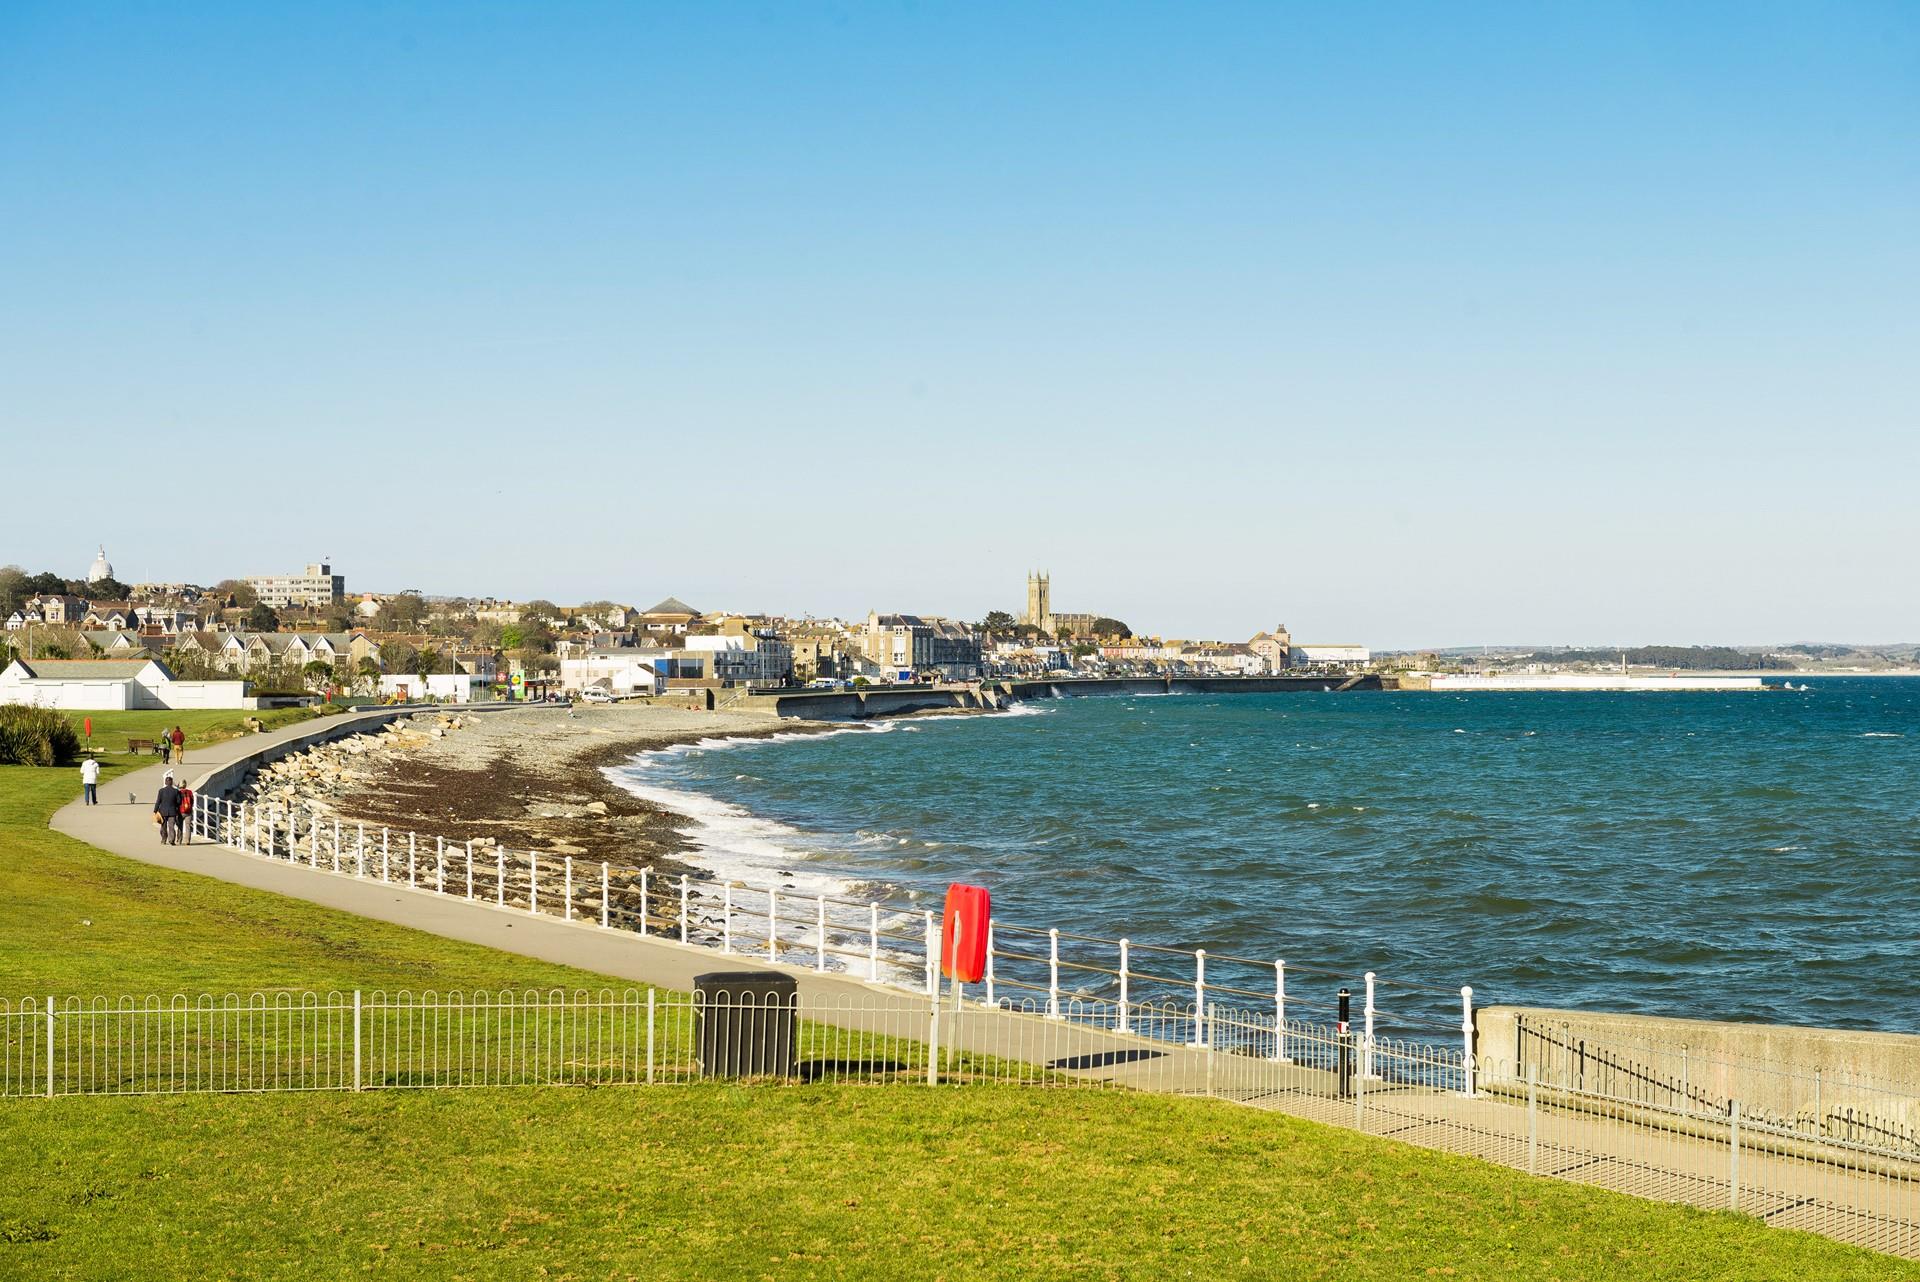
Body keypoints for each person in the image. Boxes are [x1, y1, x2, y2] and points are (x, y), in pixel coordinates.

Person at [154, 772, 181, 845]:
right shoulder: (176, 791)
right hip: (172, 811)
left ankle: (163, 839)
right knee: (171, 827)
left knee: (163, 826)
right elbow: (179, 802)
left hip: (163, 811)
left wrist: (155, 810)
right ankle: (171, 840)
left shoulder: (161, 791)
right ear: (172, 782)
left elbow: (158, 801)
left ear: (165, 782)